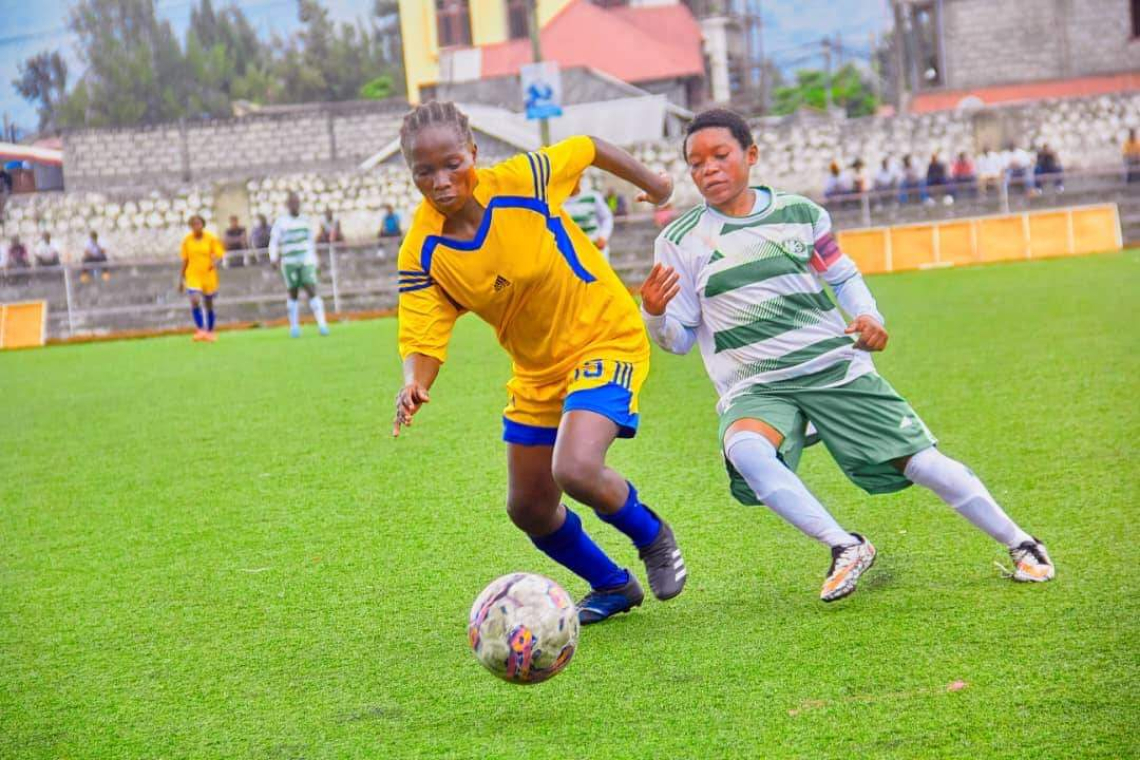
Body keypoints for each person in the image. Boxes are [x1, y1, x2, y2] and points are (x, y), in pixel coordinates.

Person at [640, 108, 1055, 603]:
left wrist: (870, 317)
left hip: (833, 367)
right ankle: (844, 546)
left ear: (750, 155)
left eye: (720, 156)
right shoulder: (678, 241)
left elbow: (841, 276)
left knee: (921, 462)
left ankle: (1021, 543)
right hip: (755, 385)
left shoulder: (801, 215)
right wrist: (654, 315)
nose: (708, 169)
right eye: (695, 162)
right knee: (747, 450)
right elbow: (681, 338)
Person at [392, 101, 687, 625]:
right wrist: (414, 382)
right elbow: (423, 331)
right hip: (537, 370)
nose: (440, 180)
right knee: (527, 508)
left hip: (603, 335)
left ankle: (653, 537)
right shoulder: (423, 252)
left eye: (452, 164)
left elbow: (588, 147)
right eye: (424, 171)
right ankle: (614, 586)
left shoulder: (522, 180)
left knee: (574, 468)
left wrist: (657, 185)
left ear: (474, 154)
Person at [269, 192, 330, 338]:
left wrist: (315, 260)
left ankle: (322, 324)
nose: (295, 206)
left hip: (305, 260)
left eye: (297, 203)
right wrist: (273, 257)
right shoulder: (281, 222)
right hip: (289, 261)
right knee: (293, 292)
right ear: (288, 205)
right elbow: (274, 241)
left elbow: (310, 242)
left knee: (311, 288)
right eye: (292, 203)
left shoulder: (305, 220)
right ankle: (294, 326)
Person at [179, 214, 225, 342]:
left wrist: (214, 263)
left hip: (208, 275)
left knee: (208, 304)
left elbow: (219, 254)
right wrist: (181, 279)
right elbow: (185, 260)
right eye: (193, 225)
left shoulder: (210, 238)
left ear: (203, 225)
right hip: (193, 274)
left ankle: (210, 331)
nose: (196, 227)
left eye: (198, 224)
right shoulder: (187, 241)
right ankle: (200, 329)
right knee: (194, 300)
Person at [563, 177, 615, 262]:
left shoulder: (592, 196)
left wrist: (603, 236)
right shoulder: (558, 201)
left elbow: (607, 217)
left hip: (595, 249)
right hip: (571, 253)